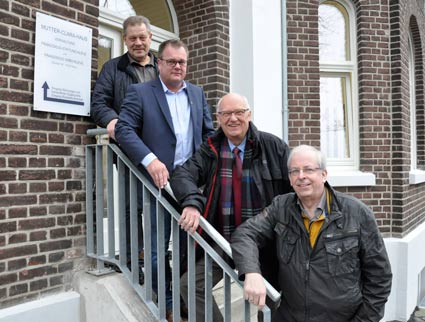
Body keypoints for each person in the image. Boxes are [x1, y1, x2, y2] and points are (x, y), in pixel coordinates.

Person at [231, 145, 393, 322]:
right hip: (290, 316)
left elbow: (379, 279)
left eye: (308, 169)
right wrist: (251, 271)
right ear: (290, 179)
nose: (301, 176)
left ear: (323, 174)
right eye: (294, 171)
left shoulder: (357, 213)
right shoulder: (281, 207)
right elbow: (246, 233)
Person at [115, 39, 215, 321]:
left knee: (185, 247)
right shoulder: (140, 92)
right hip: (158, 185)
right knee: (158, 250)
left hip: (190, 185)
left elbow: (208, 136)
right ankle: (168, 299)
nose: (177, 66)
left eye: (182, 62)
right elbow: (124, 129)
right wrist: (150, 160)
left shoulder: (197, 93)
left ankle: (182, 296)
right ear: (159, 63)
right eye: (171, 61)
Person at [170, 93, 292, 322]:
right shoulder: (211, 148)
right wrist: (192, 203)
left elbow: (297, 180)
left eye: (238, 112)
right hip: (224, 238)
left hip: (265, 240)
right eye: (226, 114)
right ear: (218, 118)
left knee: (273, 298)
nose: (232, 119)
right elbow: (182, 175)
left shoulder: (272, 146)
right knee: (190, 285)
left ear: (249, 115)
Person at [90, 15, 158, 284]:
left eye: (142, 37)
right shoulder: (113, 68)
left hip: (160, 148)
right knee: (133, 206)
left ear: (150, 37)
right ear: (124, 39)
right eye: (132, 38)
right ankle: (133, 259)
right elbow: (98, 104)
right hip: (129, 148)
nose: (138, 42)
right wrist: (112, 121)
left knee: (158, 204)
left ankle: (156, 257)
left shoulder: (161, 66)